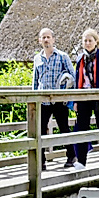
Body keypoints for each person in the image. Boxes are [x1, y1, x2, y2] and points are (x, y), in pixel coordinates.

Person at [32, 28, 76, 169]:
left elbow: (72, 76)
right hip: (43, 100)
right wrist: (34, 98)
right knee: (40, 130)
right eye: (43, 37)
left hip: (59, 99)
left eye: (48, 37)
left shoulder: (62, 56)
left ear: (53, 39)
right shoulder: (37, 58)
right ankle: (41, 160)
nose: (46, 40)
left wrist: (71, 97)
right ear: (40, 40)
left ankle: (71, 155)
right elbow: (35, 80)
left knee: (63, 127)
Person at [72, 28, 99, 170]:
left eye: (90, 40)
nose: (88, 43)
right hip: (84, 96)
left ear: (96, 42)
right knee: (81, 127)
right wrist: (76, 100)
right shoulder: (80, 59)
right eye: (85, 40)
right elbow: (77, 79)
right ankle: (81, 160)